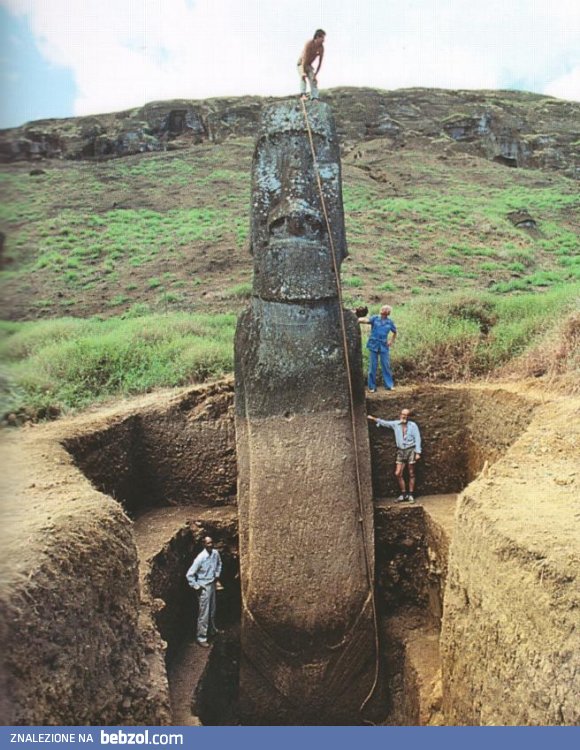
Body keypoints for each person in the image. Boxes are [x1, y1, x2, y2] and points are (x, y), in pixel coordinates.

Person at [368, 409, 422, 503]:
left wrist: (418, 452)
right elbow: (385, 423)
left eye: (406, 415)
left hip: (411, 450)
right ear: (400, 415)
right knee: (398, 473)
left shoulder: (413, 426)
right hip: (401, 451)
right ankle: (403, 493)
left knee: (411, 473)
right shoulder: (396, 424)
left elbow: (417, 438)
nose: (404, 416)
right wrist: (373, 419)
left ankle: (411, 494)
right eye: (402, 414)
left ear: (409, 416)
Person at [186, 536, 222, 647]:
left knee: (212, 609)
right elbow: (189, 574)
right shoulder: (200, 558)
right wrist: (197, 587)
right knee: (204, 613)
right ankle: (201, 637)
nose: (210, 545)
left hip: (212, 584)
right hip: (204, 586)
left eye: (212, 542)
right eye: (208, 543)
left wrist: (216, 575)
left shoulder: (215, 553)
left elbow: (219, 564)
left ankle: (212, 630)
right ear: (204, 544)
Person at [358, 305, 397, 392]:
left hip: (384, 346)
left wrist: (391, 341)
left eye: (384, 309)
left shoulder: (389, 322)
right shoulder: (375, 318)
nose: (382, 310)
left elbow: (395, 332)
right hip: (373, 344)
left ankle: (389, 385)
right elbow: (366, 320)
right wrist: (357, 319)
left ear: (388, 312)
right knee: (373, 366)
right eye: (382, 308)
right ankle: (372, 387)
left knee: (386, 366)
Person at [297, 29, 326, 101]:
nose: (324, 40)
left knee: (313, 80)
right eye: (322, 38)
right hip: (301, 63)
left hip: (309, 65)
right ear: (317, 37)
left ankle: (315, 97)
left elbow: (320, 63)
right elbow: (304, 59)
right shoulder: (309, 44)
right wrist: (303, 72)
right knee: (303, 77)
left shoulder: (321, 48)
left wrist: (315, 75)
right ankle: (303, 94)